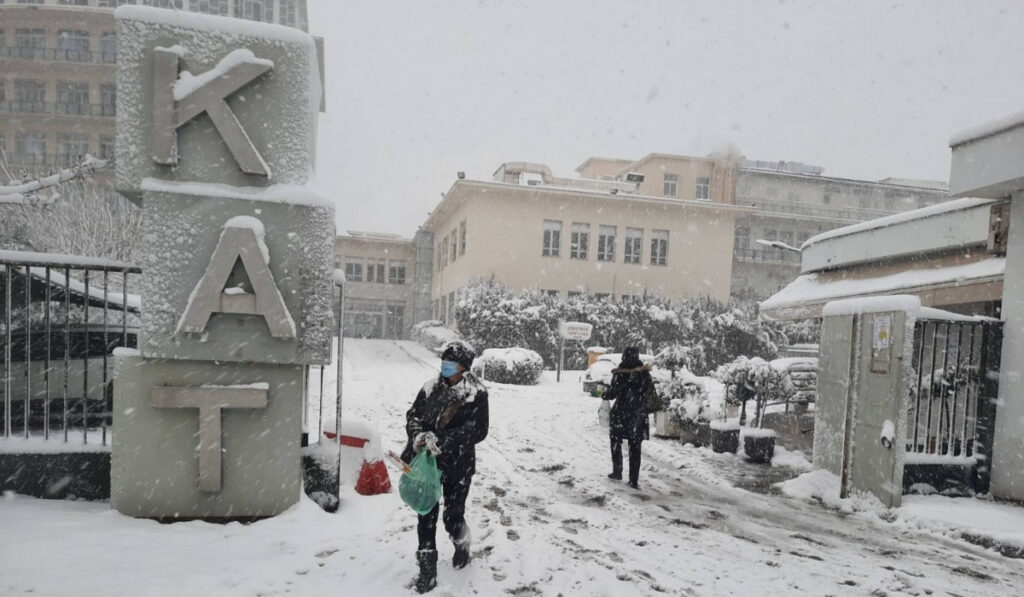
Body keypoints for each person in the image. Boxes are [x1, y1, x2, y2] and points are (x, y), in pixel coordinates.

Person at [402, 340, 489, 594]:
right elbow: (413, 416)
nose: (445, 366)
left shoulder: (476, 394)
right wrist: (419, 436)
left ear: (464, 368)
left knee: (452, 516)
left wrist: (444, 441)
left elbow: (478, 430)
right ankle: (427, 569)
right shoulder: (430, 388)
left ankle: (461, 542)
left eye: (451, 363)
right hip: (427, 464)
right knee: (425, 513)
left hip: (458, 466)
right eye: (444, 361)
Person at [602, 346, 655, 490]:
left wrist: (605, 395)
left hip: (621, 414)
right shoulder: (644, 374)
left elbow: (613, 393)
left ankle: (617, 471)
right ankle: (633, 480)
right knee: (635, 447)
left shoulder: (620, 372)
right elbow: (649, 393)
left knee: (615, 442)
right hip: (638, 416)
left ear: (624, 356)